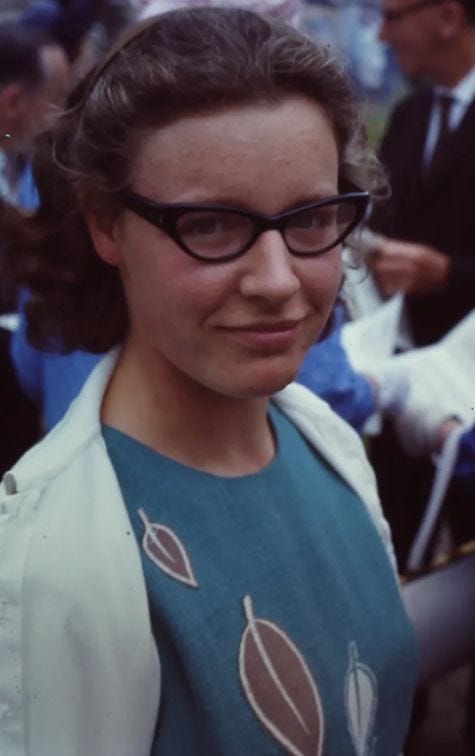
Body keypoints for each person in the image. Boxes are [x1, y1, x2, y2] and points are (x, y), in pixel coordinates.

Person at [0, 8, 417, 754]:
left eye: (311, 217)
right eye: (212, 226)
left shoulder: (328, 449)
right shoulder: (53, 568)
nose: (276, 279)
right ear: (104, 226)